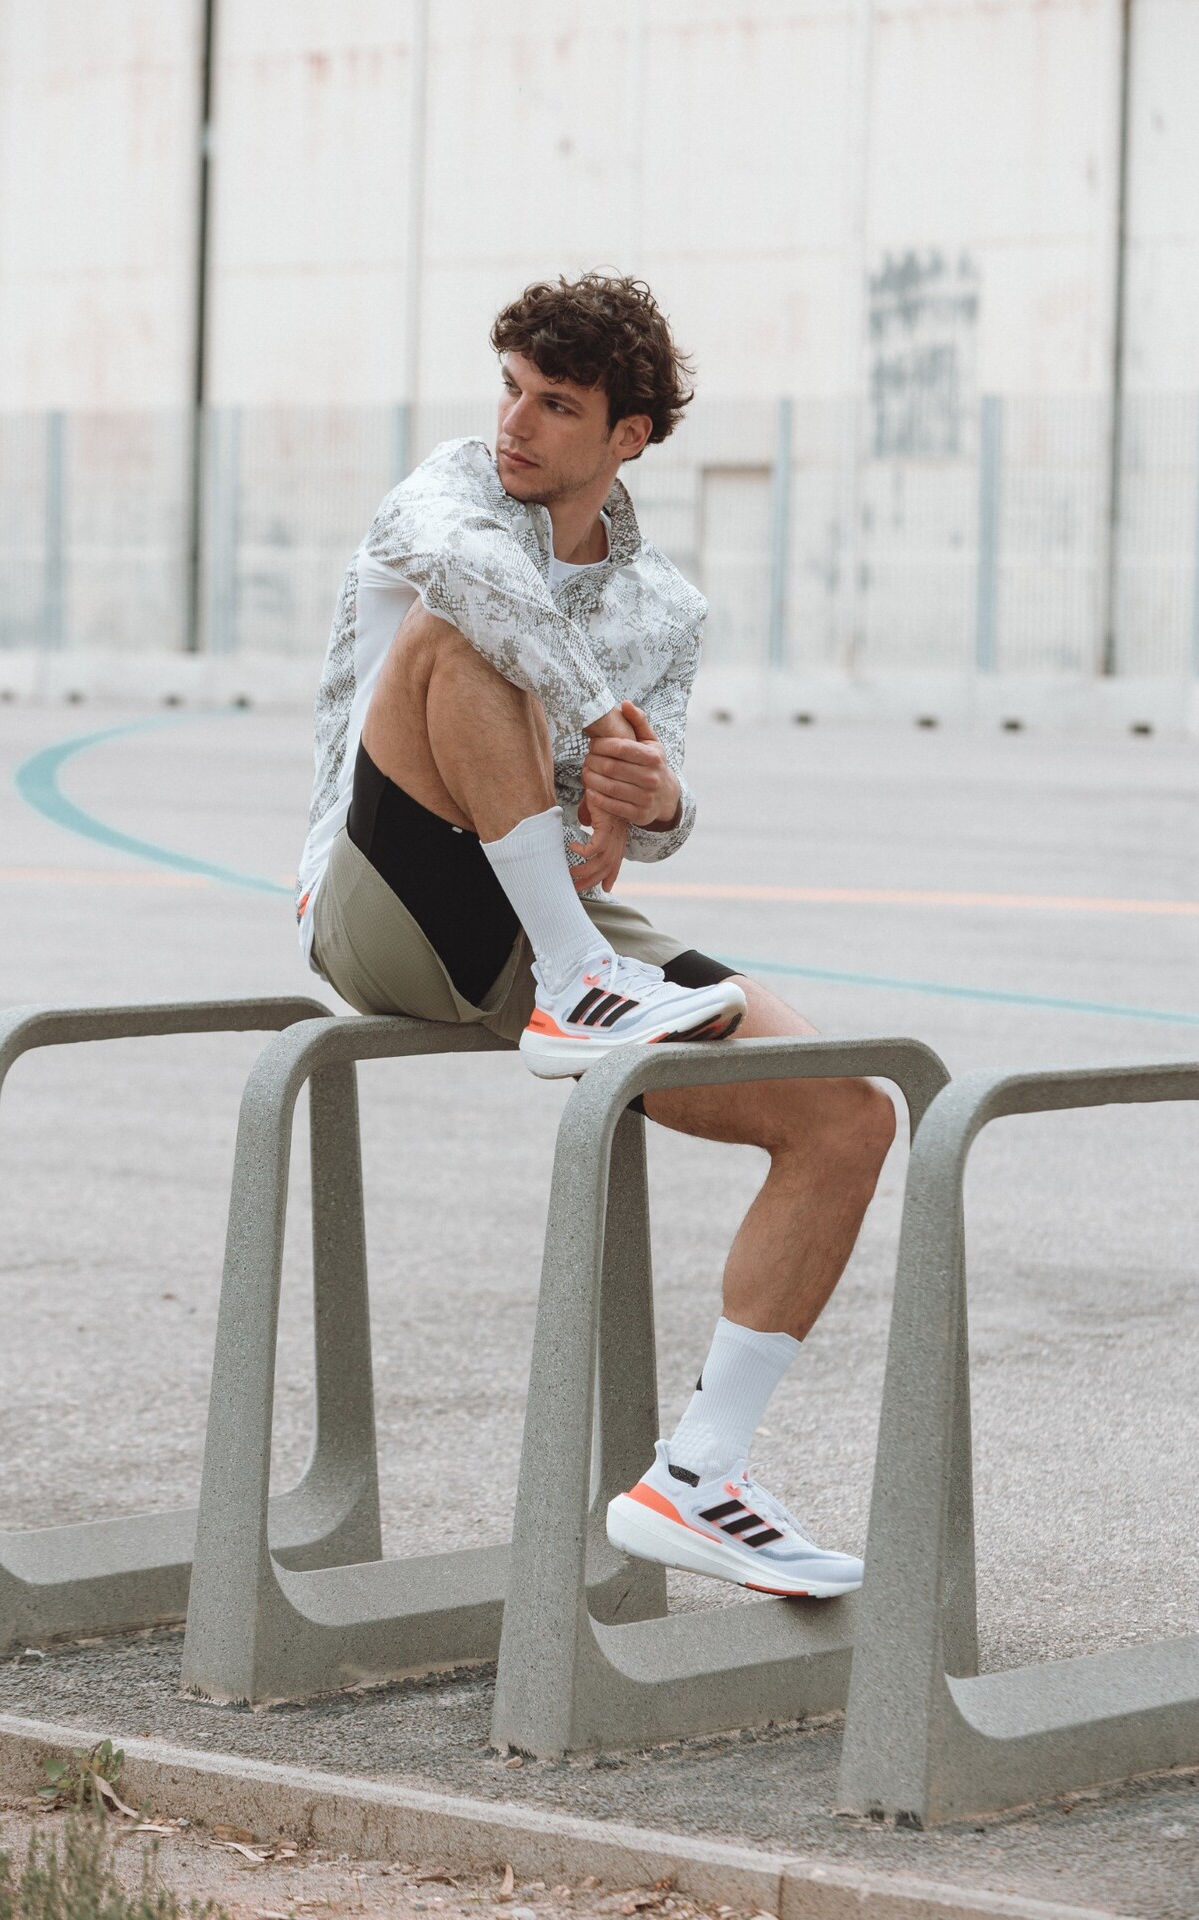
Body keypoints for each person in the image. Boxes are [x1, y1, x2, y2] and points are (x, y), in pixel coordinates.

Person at [296, 272, 895, 1598]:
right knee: (463, 625)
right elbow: (477, 592)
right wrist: (590, 711)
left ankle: (699, 1477)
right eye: (510, 389)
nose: (515, 424)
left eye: (556, 405)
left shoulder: (664, 609)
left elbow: (648, 806)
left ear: (628, 436)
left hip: (541, 906)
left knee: (849, 1110)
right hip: (378, 899)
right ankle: (577, 982)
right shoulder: (446, 497)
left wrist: (653, 795)